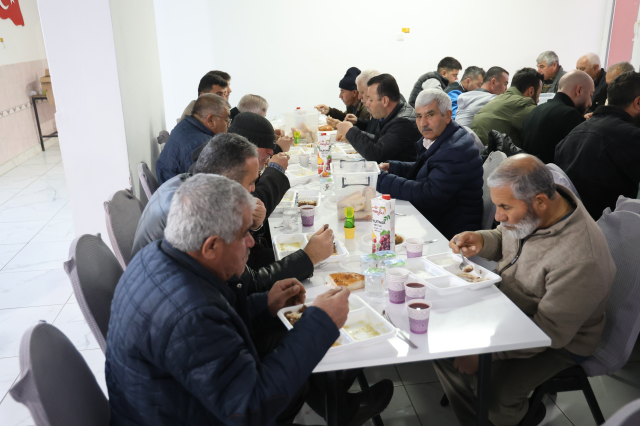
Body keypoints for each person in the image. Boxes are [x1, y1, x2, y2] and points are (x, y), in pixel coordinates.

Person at [107, 174, 394, 425]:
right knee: (298, 340)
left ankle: (333, 394)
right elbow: (250, 407)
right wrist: (321, 322)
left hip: (179, 404)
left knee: (285, 333)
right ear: (211, 246)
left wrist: (264, 304)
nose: (252, 242)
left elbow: (220, 322)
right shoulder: (190, 314)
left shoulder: (158, 253)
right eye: (244, 234)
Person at [437, 154, 615, 426]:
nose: (497, 216)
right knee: (439, 341)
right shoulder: (532, 213)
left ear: (541, 202)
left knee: (494, 393)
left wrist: (484, 353)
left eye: (504, 207)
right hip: (512, 305)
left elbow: (549, 334)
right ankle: (477, 408)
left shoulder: (581, 259)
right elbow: (507, 239)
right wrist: (482, 240)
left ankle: (510, 416)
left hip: (560, 340)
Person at [132, 133, 333, 294]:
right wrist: (309, 257)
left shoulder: (187, 182)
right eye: (251, 183)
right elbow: (247, 284)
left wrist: (249, 224)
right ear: (226, 181)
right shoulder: (202, 214)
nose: (254, 190)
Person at [377, 89, 483, 239]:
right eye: (419, 116)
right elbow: (429, 169)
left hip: (453, 234)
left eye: (430, 115)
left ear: (447, 115)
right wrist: (394, 167)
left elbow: (428, 194)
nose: (423, 123)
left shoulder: (454, 150)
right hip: (440, 218)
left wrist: (381, 180)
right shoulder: (443, 136)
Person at [555, 71, 640, 220]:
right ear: (638, 103)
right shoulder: (632, 138)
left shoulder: (576, 131)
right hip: (610, 234)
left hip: (572, 227)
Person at [336, 74, 421, 162]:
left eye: (371, 100)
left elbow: (377, 155)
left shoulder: (403, 123)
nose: (367, 104)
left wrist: (350, 132)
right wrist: (353, 136)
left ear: (385, 101)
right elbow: (380, 141)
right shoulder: (392, 113)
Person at [522, 70, 594, 164]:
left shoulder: (537, 109)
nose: (590, 103)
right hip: (550, 176)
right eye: (590, 95)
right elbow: (578, 160)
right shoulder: (570, 115)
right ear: (578, 90)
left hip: (528, 172)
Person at [156, 94, 230, 184]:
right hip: (177, 193)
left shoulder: (184, 125)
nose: (228, 125)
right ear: (210, 120)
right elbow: (205, 188)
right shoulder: (201, 146)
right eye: (226, 120)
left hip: (166, 186)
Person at [472, 68, 544, 147]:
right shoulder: (521, 103)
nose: (538, 100)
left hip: (481, 151)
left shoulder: (499, 99)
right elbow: (545, 124)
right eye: (539, 93)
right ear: (531, 91)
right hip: (497, 155)